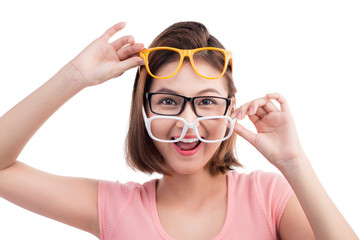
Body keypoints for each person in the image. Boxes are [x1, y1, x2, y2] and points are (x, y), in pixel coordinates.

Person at [0, 21, 358, 240]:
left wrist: (293, 162)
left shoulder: (269, 199)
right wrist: (74, 77)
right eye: (169, 102)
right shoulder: (114, 208)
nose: (188, 123)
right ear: (144, 111)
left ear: (230, 110)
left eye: (205, 102)